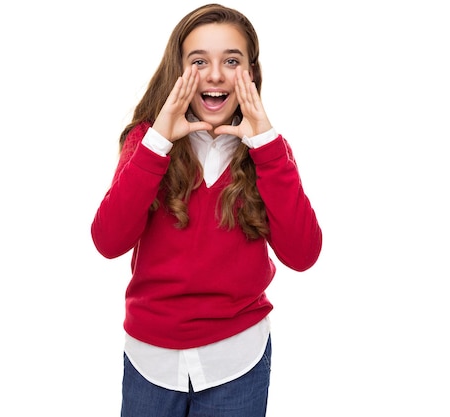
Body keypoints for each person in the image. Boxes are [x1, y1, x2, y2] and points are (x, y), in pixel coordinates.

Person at [91, 3, 322, 416]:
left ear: (249, 73)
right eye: (199, 61)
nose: (215, 74)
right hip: (151, 362)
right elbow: (108, 241)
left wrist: (267, 148)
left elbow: (303, 255)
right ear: (178, 71)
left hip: (237, 361)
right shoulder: (147, 142)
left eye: (230, 61)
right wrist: (158, 142)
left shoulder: (269, 151)